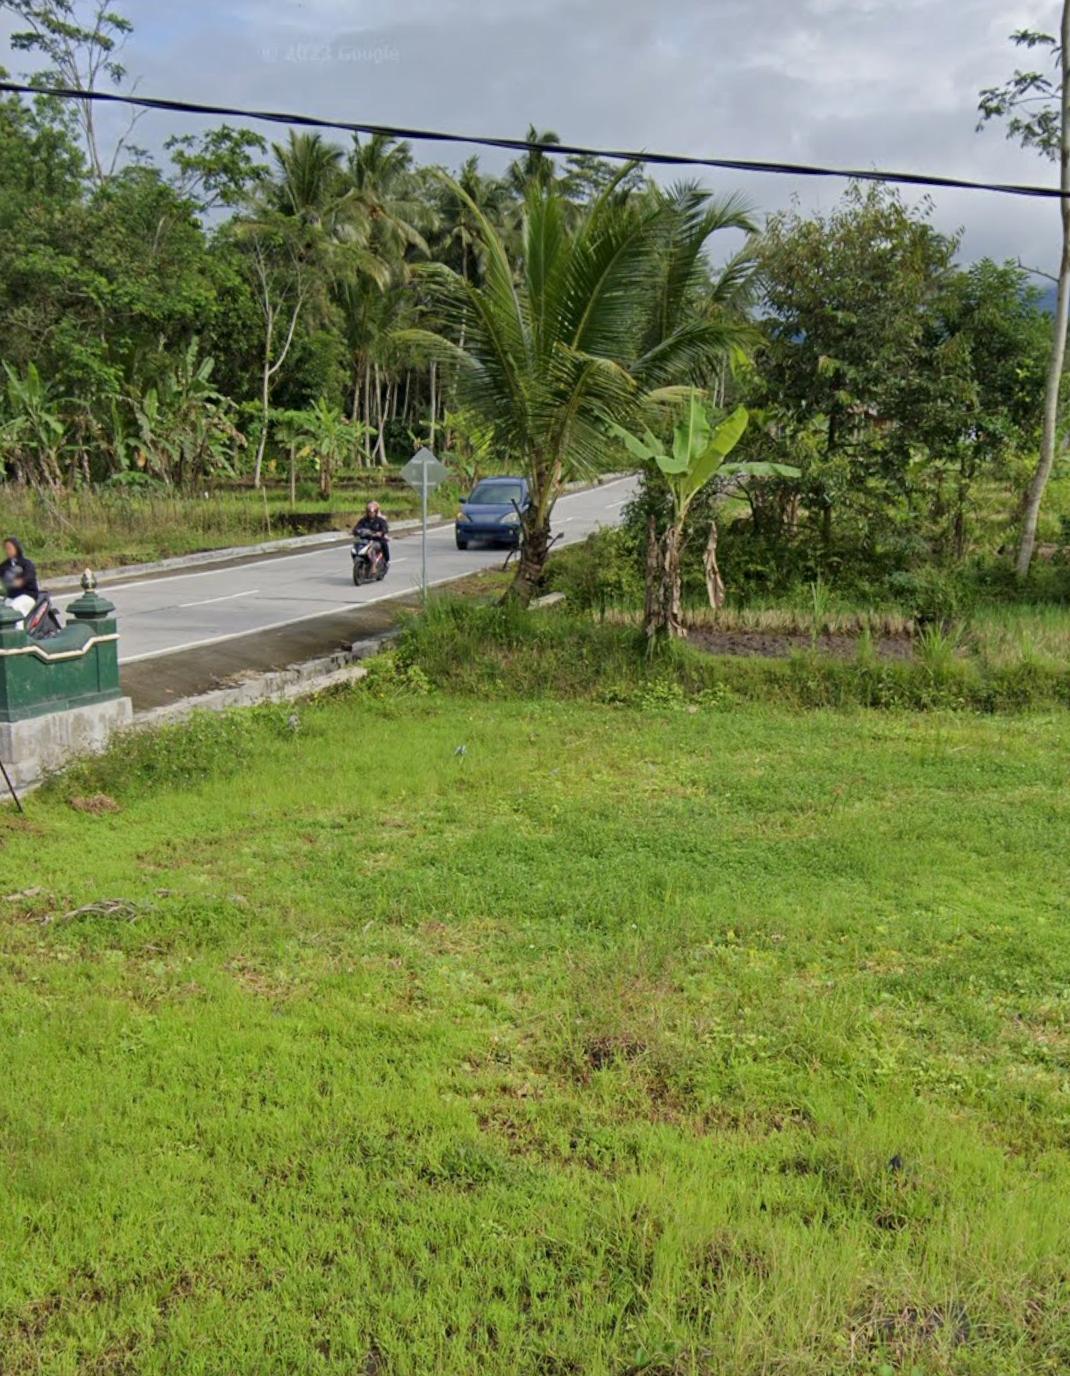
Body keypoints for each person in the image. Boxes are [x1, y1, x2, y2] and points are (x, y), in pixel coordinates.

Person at [1, 537, 39, 620]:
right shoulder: (4, 565)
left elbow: (30, 575)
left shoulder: (26, 563)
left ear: (16, 548)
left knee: (14, 611)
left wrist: (22, 581)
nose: (7, 551)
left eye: (10, 548)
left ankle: (19, 628)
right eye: (6, 548)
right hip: (11, 596)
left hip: (27, 595)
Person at [353, 501, 390, 568]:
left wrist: (381, 532)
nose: (371, 514)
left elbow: (385, 528)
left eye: (372, 512)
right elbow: (357, 527)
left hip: (377, 540)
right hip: (365, 540)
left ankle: (376, 565)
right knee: (355, 548)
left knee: (376, 547)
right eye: (369, 512)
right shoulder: (363, 520)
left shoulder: (380, 520)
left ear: (375, 512)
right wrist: (356, 531)